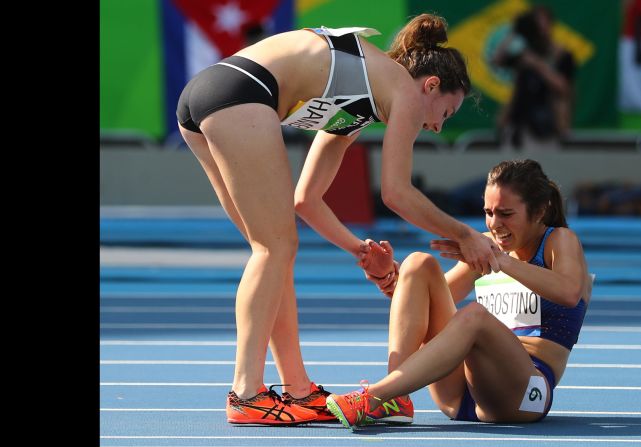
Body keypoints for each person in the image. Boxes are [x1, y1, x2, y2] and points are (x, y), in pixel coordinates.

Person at [175, 14, 501, 425]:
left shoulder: (358, 102)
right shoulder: (401, 87)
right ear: (430, 85)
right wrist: (465, 234)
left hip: (208, 94)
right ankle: (245, 393)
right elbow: (396, 193)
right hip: (240, 92)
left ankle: (298, 389)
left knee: (273, 256)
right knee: (274, 248)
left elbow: (306, 199)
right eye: (446, 113)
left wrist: (361, 251)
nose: (436, 126)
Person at [324, 159, 592, 430]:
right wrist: (391, 278)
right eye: (489, 212)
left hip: (524, 395)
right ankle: (395, 399)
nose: (494, 223)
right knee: (418, 263)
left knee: (475, 315)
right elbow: (423, 306)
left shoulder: (559, 240)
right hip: (460, 392)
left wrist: (503, 261)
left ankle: (375, 396)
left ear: (539, 211)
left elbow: (569, 292)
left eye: (506, 214)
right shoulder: (488, 246)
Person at [492, 6, 576, 150]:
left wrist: (537, 65)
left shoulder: (561, 55)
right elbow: (496, 61)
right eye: (535, 24)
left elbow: (564, 87)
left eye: (542, 23)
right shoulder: (523, 53)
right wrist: (515, 32)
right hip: (517, 124)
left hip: (546, 126)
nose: (539, 29)